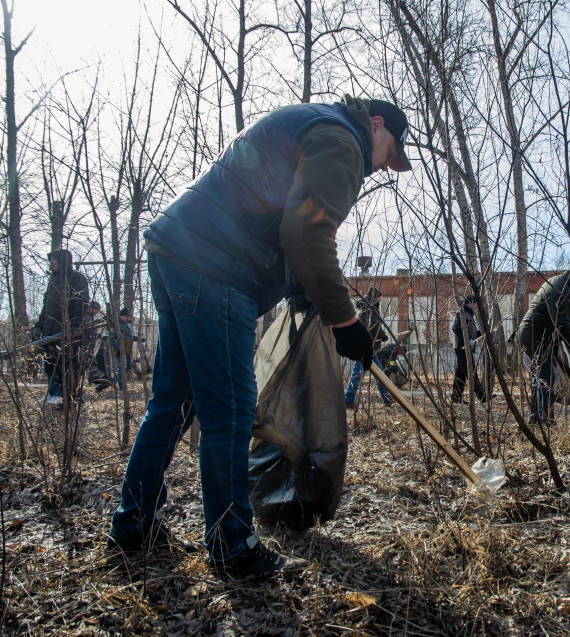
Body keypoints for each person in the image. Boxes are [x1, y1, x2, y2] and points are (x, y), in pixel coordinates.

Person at [109, 96, 412, 576]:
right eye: (388, 153)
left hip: (177, 245)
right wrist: (344, 321)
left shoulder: (317, 122)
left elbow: (274, 210)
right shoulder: (344, 141)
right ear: (376, 126)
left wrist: (301, 284)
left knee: (172, 401)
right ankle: (232, 544)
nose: (380, 168)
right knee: (229, 408)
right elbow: (306, 232)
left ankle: (132, 522)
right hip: (214, 264)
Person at [513, 265, 570, 424]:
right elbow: (562, 325)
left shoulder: (566, 286)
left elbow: (557, 326)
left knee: (540, 378)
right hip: (534, 336)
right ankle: (545, 419)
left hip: (537, 336)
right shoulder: (561, 290)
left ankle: (536, 418)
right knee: (547, 376)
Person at [33, 249, 90, 411]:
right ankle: (61, 395)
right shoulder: (53, 280)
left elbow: (81, 303)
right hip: (50, 332)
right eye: (50, 260)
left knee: (69, 366)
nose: (52, 262)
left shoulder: (76, 279)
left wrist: (75, 327)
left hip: (67, 332)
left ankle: (70, 399)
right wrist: (38, 325)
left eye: (54, 260)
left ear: (63, 261)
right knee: (52, 366)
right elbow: (47, 307)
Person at [344, 287, 393, 408]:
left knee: (378, 373)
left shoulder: (364, 307)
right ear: (374, 297)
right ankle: (349, 399)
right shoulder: (367, 308)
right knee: (358, 373)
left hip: (368, 346)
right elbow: (372, 325)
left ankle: (386, 398)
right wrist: (383, 335)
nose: (380, 300)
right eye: (379, 297)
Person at [451, 295, 487, 404]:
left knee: (460, 374)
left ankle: (456, 398)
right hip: (462, 347)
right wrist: (468, 339)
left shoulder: (469, 314)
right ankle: (482, 396)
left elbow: (471, 330)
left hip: (467, 347)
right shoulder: (461, 313)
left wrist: (481, 334)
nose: (476, 306)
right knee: (471, 371)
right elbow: (455, 328)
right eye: (475, 304)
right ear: (469, 304)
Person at [84, 301, 112, 393]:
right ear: (90, 308)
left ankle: (93, 383)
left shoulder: (91, 318)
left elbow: (93, 332)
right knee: (91, 363)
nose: (97, 311)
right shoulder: (85, 318)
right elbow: (86, 332)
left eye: (98, 310)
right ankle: (95, 382)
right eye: (95, 309)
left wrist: (100, 336)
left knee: (91, 363)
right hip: (85, 345)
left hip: (91, 345)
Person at [111, 308, 134, 390]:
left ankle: (113, 379)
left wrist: (137, 338)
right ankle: (122, 387)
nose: (127, 317)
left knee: (129, 366)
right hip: (120, 350)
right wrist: (118, 350)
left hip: (127, 350)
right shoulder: (116, 325)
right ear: (120, 316)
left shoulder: (127, 325)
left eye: (128, 316)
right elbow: (113, 339)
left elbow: (129, 337)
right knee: (122, 368)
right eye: (125, 316)